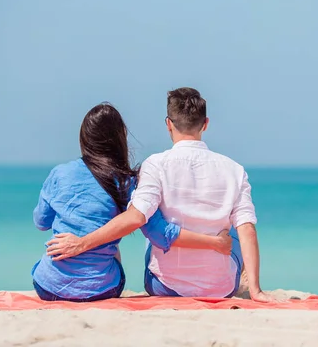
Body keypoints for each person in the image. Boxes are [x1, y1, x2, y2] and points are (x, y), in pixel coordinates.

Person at [46, 88, 274, 302]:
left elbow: (136, 218)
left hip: (164, 287)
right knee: (237, 227)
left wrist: (82, 243)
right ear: (205, 124)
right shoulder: (234, 170)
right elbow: (248, 230)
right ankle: (248, 283)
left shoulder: (155, 165)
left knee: (152, 223)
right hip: (221, 288)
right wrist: (256, 290)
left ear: (168, 124)